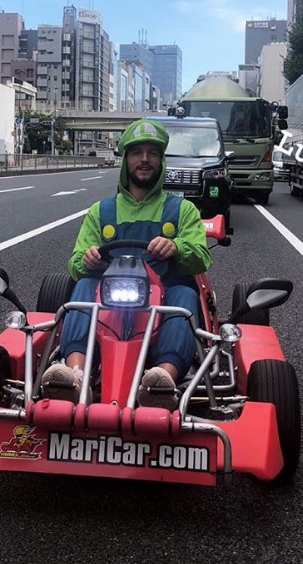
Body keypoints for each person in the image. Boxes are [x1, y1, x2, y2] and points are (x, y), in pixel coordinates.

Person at [41, 118, 211, 411]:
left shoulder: (182, 209)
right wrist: (89, 259)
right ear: (126, 160)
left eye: (152, 153)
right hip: (110, 301)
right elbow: (75, 263)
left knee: (185, 295)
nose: (144, 160)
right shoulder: (101, 211)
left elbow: (201, 256)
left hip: (163, 295)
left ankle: (162, 381)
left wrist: (176, 246)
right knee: (83, 285)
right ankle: (77, 375)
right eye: (137, 153)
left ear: (161, 160)